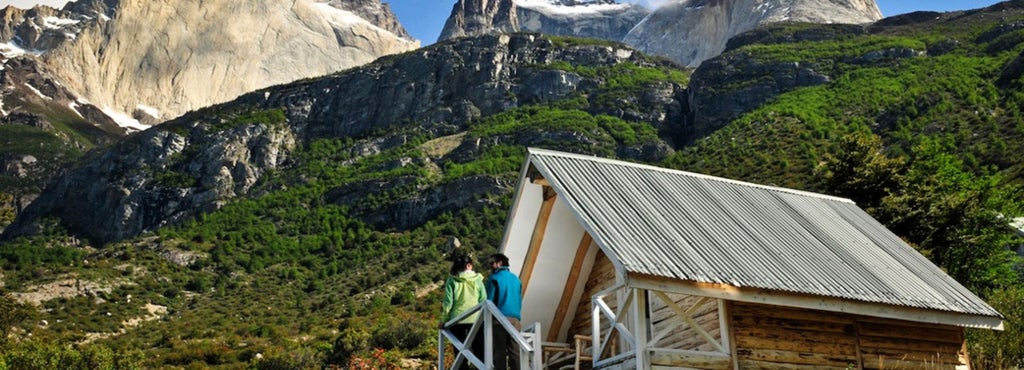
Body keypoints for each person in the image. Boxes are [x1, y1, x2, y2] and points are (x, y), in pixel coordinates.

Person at [440, 254, 486, 369]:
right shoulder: (478, 280)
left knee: (460, 352)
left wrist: (444, 320)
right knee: (479, 350)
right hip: (476, 319)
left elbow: (448, 303)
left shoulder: (452, 280)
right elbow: (483, 299)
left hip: (457, 320)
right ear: (469, 265)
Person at [486, 253, 523, 370]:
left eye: (492, 263)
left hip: (500, 318)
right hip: (515, 320)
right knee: (515, 351)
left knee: (499, 352)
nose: (491, 266)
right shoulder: (517, 280)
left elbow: (489, 301)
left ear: (499, 263)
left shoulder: (494, 278)